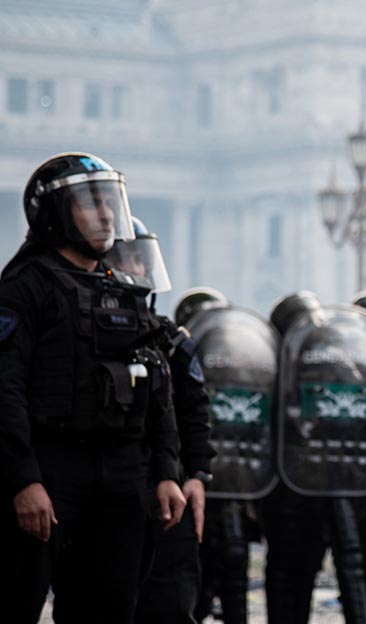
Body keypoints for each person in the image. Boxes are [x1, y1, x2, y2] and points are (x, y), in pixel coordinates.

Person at [0, 153, 186, 624]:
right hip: (50, 467)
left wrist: (167, 472)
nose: (106, 215)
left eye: (109, 202)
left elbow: (157, 388)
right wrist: (24, 480)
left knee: (110, 608)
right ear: (55, 214)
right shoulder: (24, 287)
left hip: (123, 474)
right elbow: (5, 388)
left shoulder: (124, 290)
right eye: (90, 203)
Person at [117, 219, 216, 624]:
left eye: (141, 258)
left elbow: (195, 411)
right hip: (112, 483)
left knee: (173, 602)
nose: (136, 267)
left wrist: (198, 474)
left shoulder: (171, 340)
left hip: (169, 486)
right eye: (126, 258)